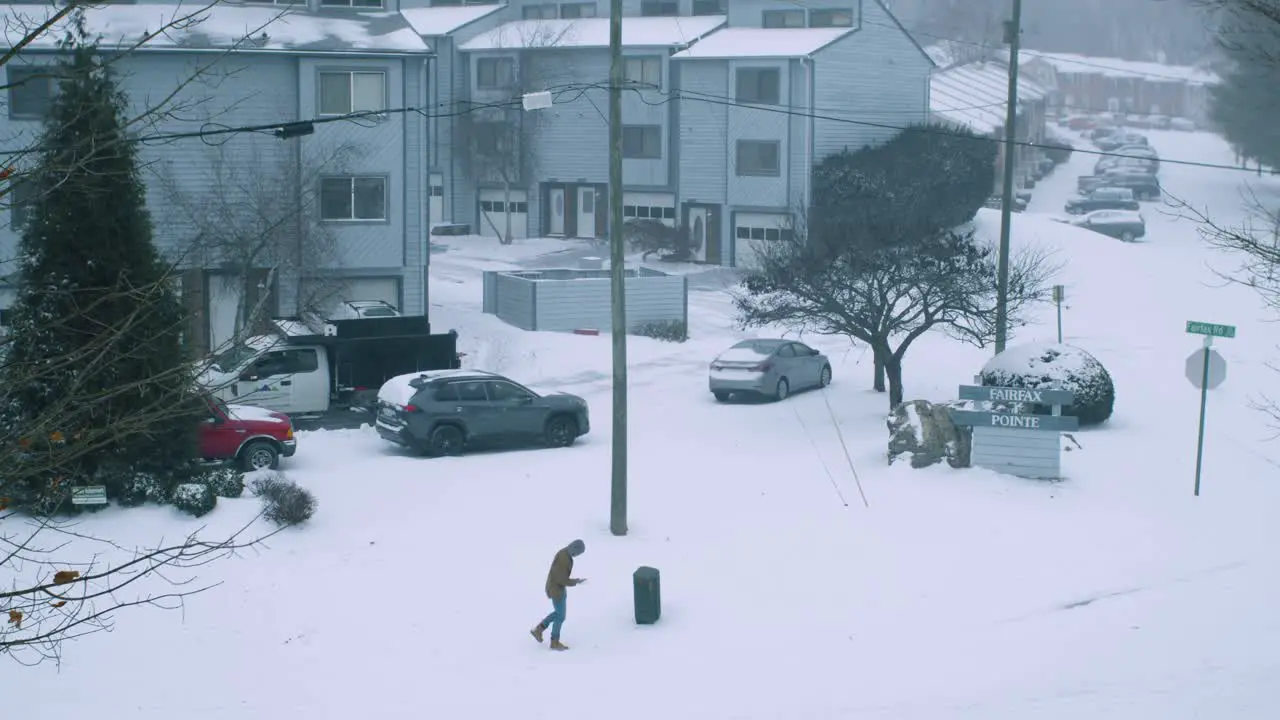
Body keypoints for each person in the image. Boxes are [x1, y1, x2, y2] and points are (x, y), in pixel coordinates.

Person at [530, 539, 586, 651]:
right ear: (574, 548)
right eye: (578, 553)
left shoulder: (565, 554)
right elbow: (561, 579)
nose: (577, 555)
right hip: (556, 589)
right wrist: (575, 581)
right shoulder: (564, 558)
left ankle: (539, 630)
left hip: (558, 588)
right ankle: (553, 641)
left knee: (559, 614)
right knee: (560, 616)